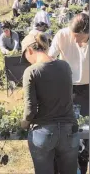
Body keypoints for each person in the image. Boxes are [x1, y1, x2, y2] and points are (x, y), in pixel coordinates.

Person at [21, 31, 79, 174]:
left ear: (29, 50)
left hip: (44, 132)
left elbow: (30, 109)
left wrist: (24, 124)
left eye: (26, 56)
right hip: (69, 131)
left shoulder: (31, 71)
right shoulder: (65, 66)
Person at [48, 13, 89, 174]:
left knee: (85, 131)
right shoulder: (63, 35)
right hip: (65, 88)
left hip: (87, 89)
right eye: (74, 37)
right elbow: (49, 58)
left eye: (79, 38)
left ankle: (82, 166)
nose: (76, 41)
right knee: (63, 129)